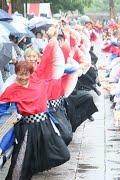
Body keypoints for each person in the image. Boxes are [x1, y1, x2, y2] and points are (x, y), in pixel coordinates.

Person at [2, 36, 70, 180]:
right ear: (16, 74)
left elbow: (46, 59)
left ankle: (34, 167)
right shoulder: (12, 88)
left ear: (30, 73)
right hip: (27, 128)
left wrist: (52, 41)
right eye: (20, 75)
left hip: (44, 124)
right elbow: (1, 108)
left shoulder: (38, 78)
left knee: (63, 153)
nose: (23, 77)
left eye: (26, 74)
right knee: (20, 165)